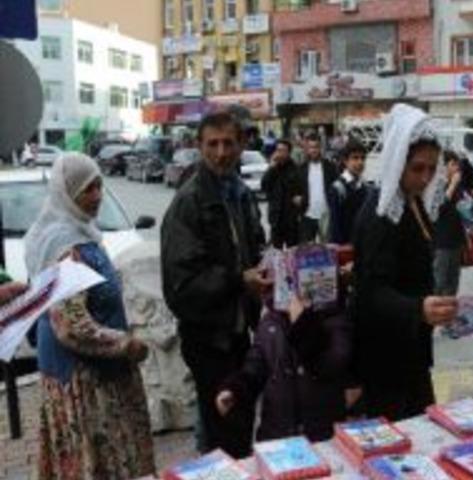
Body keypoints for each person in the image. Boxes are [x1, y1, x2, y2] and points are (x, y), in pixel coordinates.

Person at [23, 153, 155, 479]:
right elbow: (71, 326)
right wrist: (126, 344)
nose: (96, 196)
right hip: (89, 385)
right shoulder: (67, 247)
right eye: (86, 189)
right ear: (66, 195)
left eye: (99, 186)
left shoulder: (77, 234)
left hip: (88, 377)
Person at [161, 111, 270, 459]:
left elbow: (255, 247)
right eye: (213, 144)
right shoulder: (189, 202)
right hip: (209, 339)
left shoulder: (241, 194)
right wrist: (239, 281)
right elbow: (180, 286)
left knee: (232, 428)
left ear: (242, 144)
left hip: (240, 332)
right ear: (199, 146)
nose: (221, 152)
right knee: (228, 433)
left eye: (228, 143)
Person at [352, 104, 457, 421]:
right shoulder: (379, 214)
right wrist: (418, 309)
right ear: (397, 162)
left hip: (413, 348)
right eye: (417, 168)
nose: (425, 178)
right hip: (385, 357)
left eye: (431, 168)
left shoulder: (414, 203)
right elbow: (370, 293)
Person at [214, 277, 353, 442]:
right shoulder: (271, 319)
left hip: (321, 435)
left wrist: (302, 323)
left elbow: (330, 364)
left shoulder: (335, 318)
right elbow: (255, 367)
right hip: (276, 436)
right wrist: (235, 389)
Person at [433, 151, 472, 295]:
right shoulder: (436, 186)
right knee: (439, 282)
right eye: (453, 164)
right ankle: (434, 315)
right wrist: (453, 184)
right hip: (441, 242)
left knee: (453, 282)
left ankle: (448, 313)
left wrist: (466, 237)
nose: (457, 168)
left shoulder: (458, 187)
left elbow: (462, 213)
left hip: (456, 240)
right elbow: (440, 208)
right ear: (443, 166)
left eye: (457, 164)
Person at [288, 132, 338, 243]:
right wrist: (295, 197)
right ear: (306, 149)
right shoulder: (301, 169)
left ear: (321, 148)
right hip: (307, 215)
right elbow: (293, 190)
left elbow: (337, 187)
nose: (314, 150)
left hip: (326, 215)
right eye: (311, 147)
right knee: (306, 252)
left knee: (328, 250)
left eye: (316, 147)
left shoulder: (330, 167)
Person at [329, 138, 369, 245]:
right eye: (355, 158)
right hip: (344, 247)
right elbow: (335, 225)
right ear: (345, 161)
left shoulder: (365, 187)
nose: (360, 162)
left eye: (363, 158)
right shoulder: (338, 188)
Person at [262, 139, 299, 248]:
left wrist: (300, 199)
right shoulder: (272, 168)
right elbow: (264, 186)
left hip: (291, 220)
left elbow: (301, 190)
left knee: (292, 252)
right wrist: (271, 169)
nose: (280, 153)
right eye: (278, 150)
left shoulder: (295, 169)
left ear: (288, 153)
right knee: (276, 253)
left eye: (283, 150)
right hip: (276, 219)